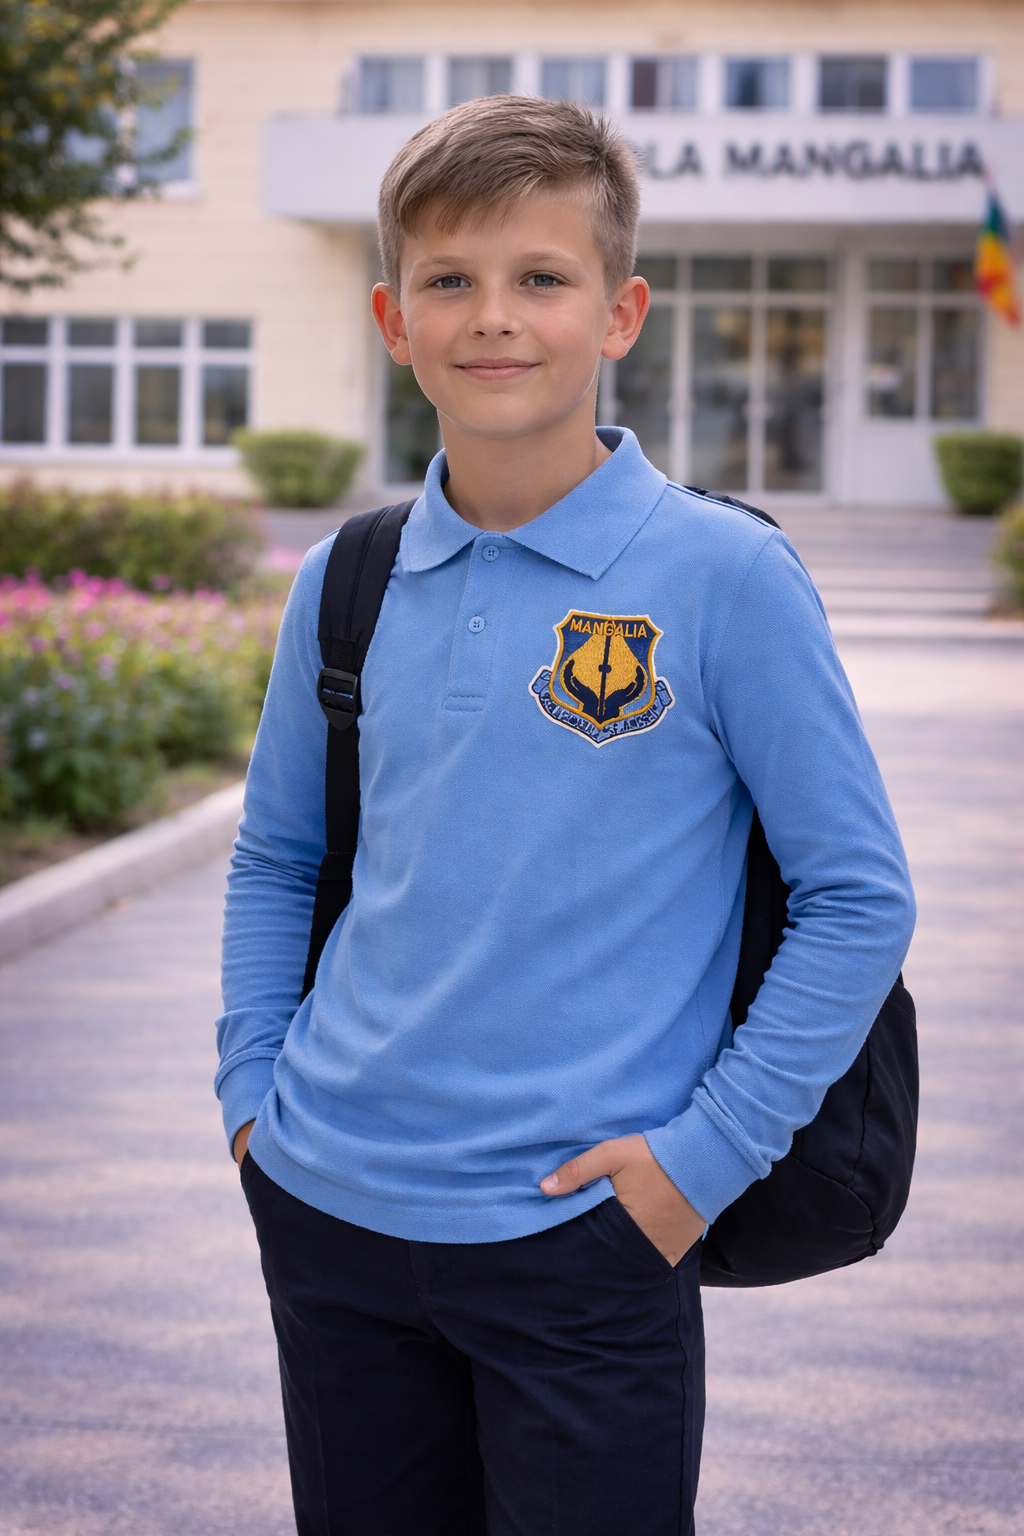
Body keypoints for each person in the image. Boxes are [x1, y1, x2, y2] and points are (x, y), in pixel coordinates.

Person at [216, 95, 915, 1536]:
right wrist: (250, 1105)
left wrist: (697, 1167)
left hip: (587, 1233)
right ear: (392, 320)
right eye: (448, 280)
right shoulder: (345, 578)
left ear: (620, 314)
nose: (493, 316)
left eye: (541, 276)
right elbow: (280, 854)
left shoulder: (724, 576)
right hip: (329, 1211)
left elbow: (858, 899)